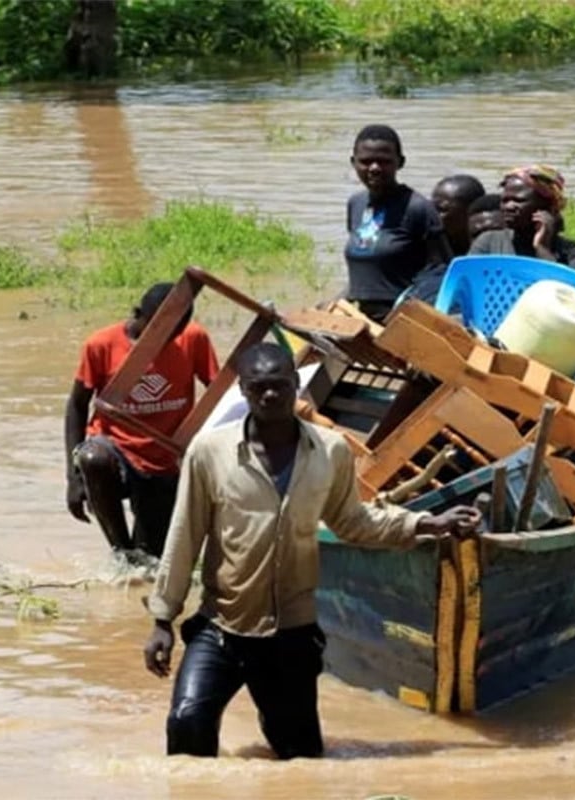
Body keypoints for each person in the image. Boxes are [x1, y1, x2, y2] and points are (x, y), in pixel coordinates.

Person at [142, 342, 481, 759]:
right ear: (244, 391)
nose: (270, 395)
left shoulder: (330, 450)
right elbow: (185, 534)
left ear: (296, 385)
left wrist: (426, 523)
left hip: (291, 633)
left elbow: (353, 521)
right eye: (258, 387)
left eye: (279, 385)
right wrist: (163, 618)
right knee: (187, 722)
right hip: (223, 626)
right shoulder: (209, 452)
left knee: (300, 755)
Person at [65, 282, 219, 559]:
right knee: (93, 459)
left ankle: (138, 556)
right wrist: (72, 479)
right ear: (140, 315)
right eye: (161, 331)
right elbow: (77, 405)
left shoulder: (194, 339)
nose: (168, 339)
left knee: (152, 557)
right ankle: (120, 551)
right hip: (117, 450)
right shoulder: (102, 344)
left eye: (176, 332)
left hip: (166, 457)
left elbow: (219, 396)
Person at [344, 124, 451, 323]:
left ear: (400, 162)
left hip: (403, 319)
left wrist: (409, 312)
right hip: (361, 318)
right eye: (366, 161)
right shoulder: (355, 204)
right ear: (354, 162)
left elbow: (441, 273)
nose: (374, 168)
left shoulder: (418, 208)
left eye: (383, 161)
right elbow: (362, 271)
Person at [468, 164, 575, 272]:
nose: (509, 207)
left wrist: (542, 248)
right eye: (505, 200)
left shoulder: (570, 251)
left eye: (519, 200)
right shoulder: (488, 242)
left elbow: (566, 291)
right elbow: (467, 280)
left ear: (547, 206)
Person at [430, 174, 487, 259]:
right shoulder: (427, 244)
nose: (433, 215)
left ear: (470, 211)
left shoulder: (492, 246)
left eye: (441, 210)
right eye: (432, 208)